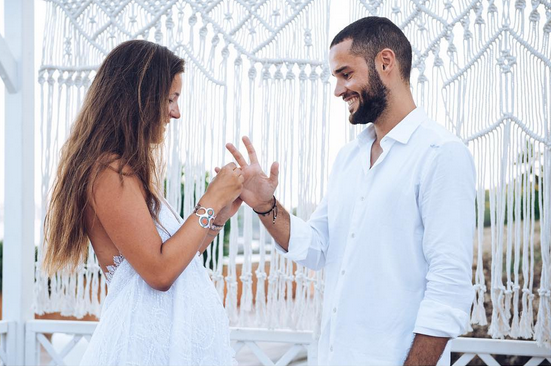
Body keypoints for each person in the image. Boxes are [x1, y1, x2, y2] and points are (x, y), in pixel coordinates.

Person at [227, 17, 475, 366]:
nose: (338, 90)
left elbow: (449, 288)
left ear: (385, 62)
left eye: (346, 74)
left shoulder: (441, 153)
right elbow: (316, 247)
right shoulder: (349, 158)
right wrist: (266, 205)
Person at [42, 40, 241, 365]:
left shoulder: (127, 171)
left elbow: (178, 259)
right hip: (145, 348)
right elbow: (159, 272)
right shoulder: (108, 172)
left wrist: (219, 214)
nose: (176, 112)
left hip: (170, 343)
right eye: (171, 99)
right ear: (139, 98)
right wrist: (210, 198)